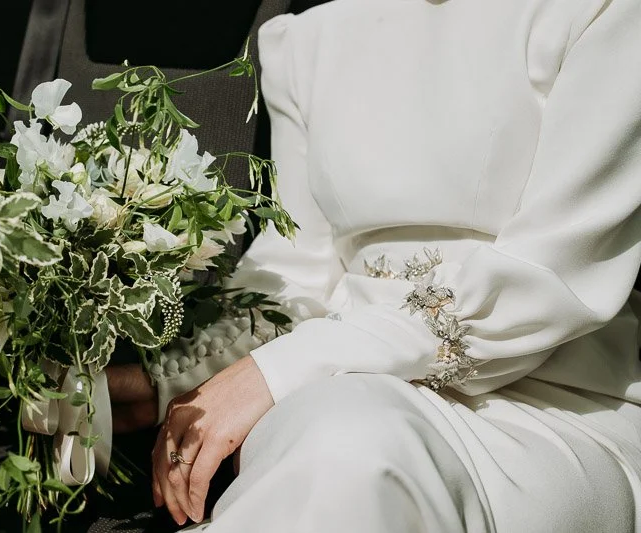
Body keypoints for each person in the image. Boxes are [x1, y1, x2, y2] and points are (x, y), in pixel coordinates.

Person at [109, 0, 641, 530]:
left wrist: (283, 369)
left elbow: (553, 274)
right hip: (334, 391)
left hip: (554, 412)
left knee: (351, 445)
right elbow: (295, 277)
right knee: (334, 429)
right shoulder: (305, 42)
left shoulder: (605, 12)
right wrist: (176, 384)